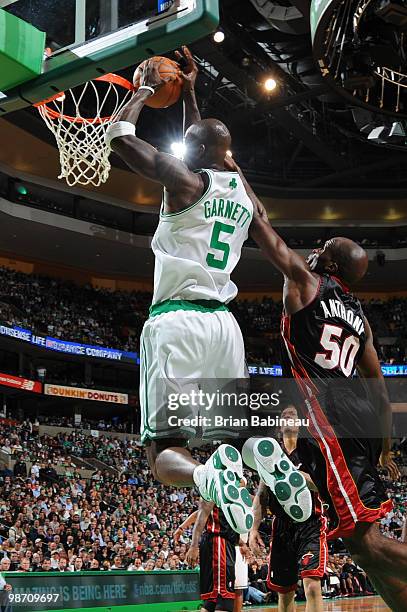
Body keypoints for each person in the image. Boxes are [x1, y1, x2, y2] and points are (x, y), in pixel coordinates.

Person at [107, 47, 311, 534]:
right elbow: (209, 152)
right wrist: (192, 93)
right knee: (234, 430)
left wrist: (142, 92)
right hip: (225, 327)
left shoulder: (181, 182)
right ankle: (254, 450)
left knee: (163, 451)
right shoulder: (244, 196)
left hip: (175, 322)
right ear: (227, 153)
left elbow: (119, 137)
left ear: (192, 153)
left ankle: (205, 475)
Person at [226, 162, 407, 610]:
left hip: (333, 425)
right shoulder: (359, 318)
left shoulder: (307, 284)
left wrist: (235, 174)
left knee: (371, 544)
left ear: (328, 262)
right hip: (359, 426)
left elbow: (257, 223)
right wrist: (384, 448)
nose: (315, 249)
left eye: (323, 246)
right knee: (365, 551)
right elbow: (381, 393)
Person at [250, 406, 326, 612]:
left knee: (311, 586)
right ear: (279, 427)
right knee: (284, 592)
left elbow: (323, 487)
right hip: (282, 526)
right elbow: (261, 495)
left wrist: (297, 475)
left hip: (311, 522)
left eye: (294, 414)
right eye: (284, 416)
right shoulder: (270, 454)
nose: (289, 417)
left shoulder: (311, 450)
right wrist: (254, 529)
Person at [185, 499, 249, 612]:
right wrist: (194, 545)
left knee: (211, 602)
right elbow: (201, 515)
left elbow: (225, 526)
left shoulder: (227, 493)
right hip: (218, 543)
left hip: (222, 542)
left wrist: (241, 543)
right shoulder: (215, 488)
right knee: (224, 599)